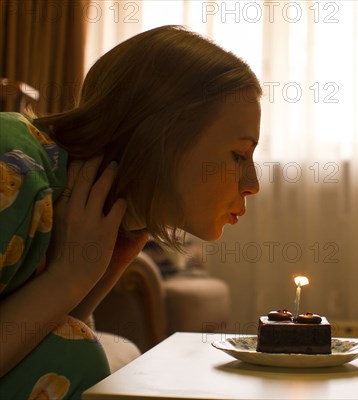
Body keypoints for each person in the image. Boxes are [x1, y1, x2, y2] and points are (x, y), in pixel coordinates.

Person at [0, 25, 261, 399]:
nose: (253, 183)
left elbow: (40, 336)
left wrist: (100, 269)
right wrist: (69, 277)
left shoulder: (98, 222)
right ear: (162, 138)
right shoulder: (13, 168)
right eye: (239, 155)